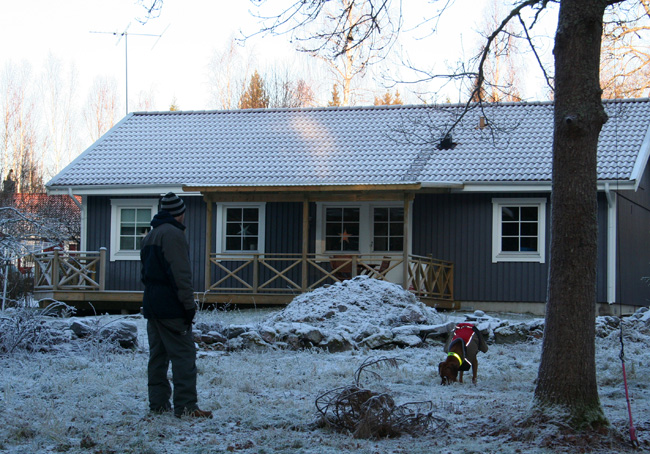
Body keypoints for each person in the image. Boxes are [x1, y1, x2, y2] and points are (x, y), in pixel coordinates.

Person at [140, 192, 212, 418]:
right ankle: (187, 407)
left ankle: (159, 405)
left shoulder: (150, 236)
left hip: (152, 304)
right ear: (180, 213)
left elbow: (146, 274)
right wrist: (189, 306)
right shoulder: (173, 235)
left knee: (158, 358)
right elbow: (181, 275)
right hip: (171, 306)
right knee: (184, 356)